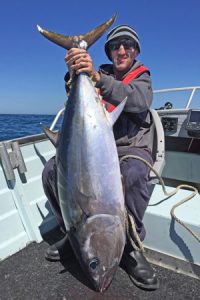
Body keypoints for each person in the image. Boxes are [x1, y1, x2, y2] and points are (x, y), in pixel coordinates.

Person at [42, 24, 159, 290]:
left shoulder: (142, 77)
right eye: (115, 46)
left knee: (133, 174)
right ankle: (75, 236)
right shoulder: (98, 71)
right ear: (108, 52)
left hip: (130, 147)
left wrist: (94, 75)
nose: (121, 50)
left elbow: (139, 101)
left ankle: (130, 248)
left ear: (136, 50)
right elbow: (74, 95)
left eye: (127, 45)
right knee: (51, 172)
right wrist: (74, 69)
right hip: (93, 146)